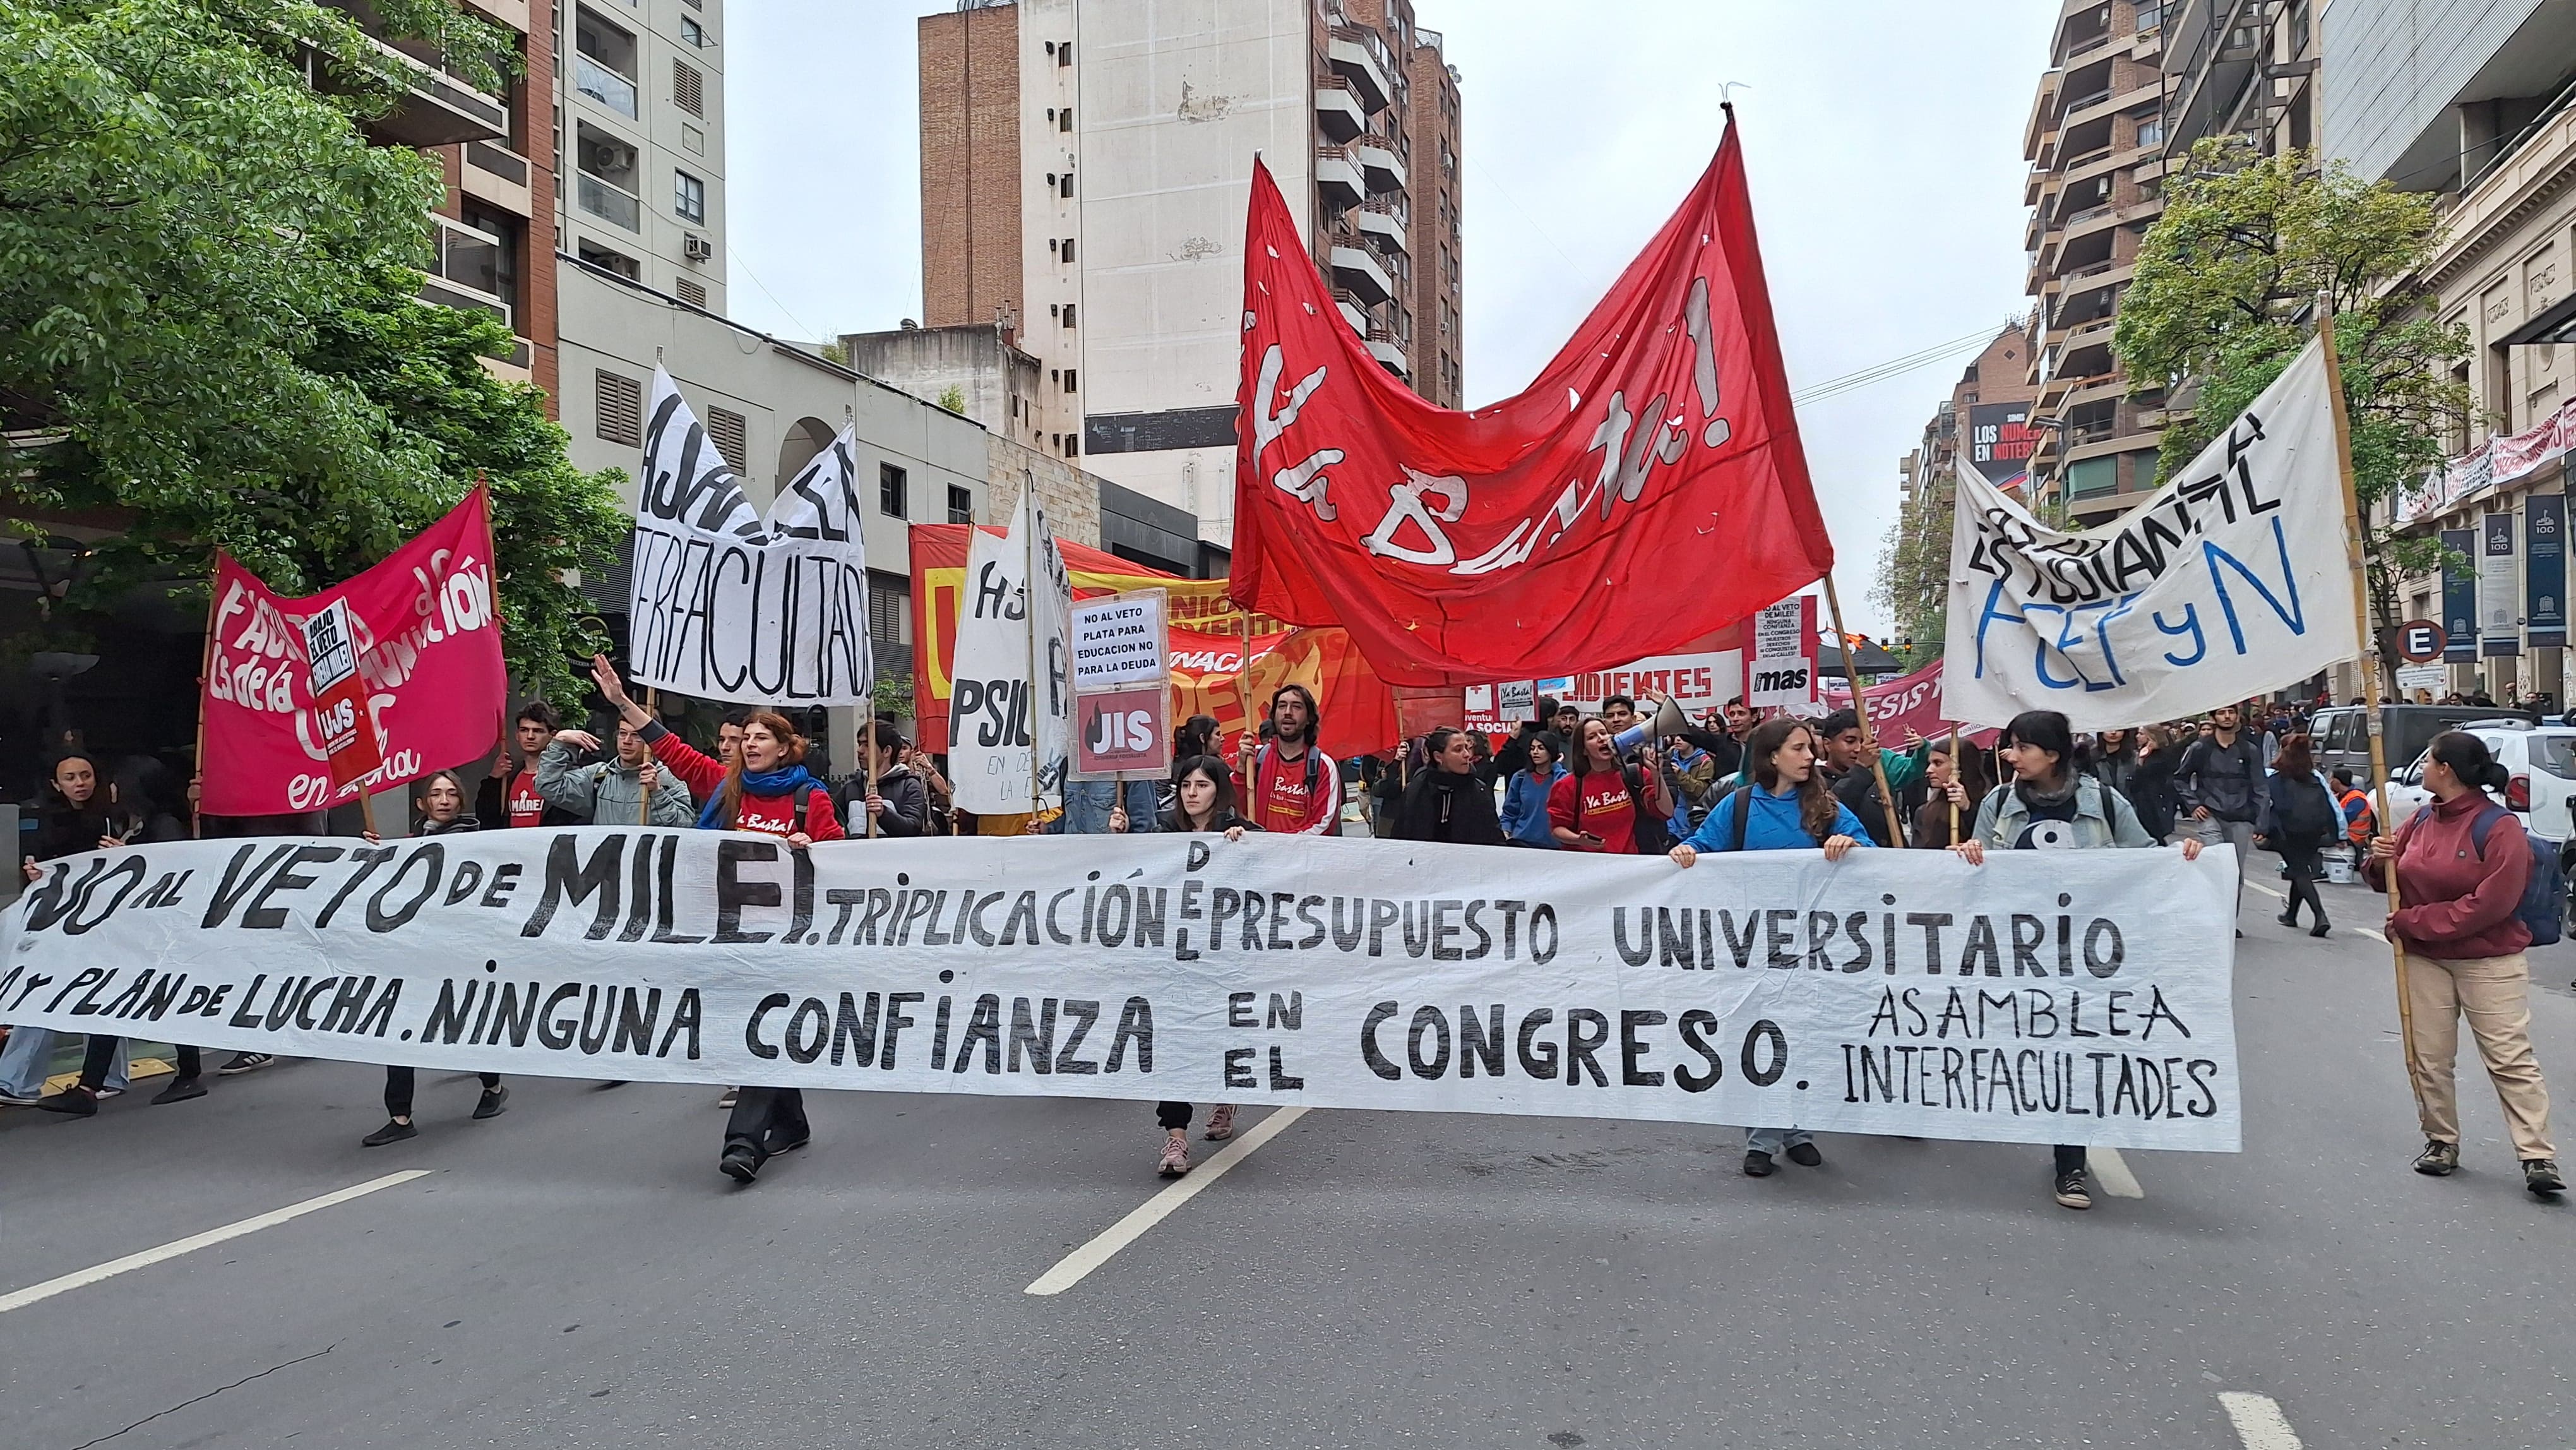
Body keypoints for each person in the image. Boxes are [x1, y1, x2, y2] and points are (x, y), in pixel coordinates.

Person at [592, 656, 844, 1183]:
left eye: (760, 737)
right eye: (745, 737)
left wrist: (810, 846)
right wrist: (621, 702)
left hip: (786, 939)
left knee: (764, 1027)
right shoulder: (725, 786)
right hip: (728, 931)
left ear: (785, 746)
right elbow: (671, 749)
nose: (749, 745)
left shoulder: (809, 797)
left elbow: (843, 860)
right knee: (752, 1026)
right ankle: (791, 1123)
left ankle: (744, 1143)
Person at [1950, 710, 2204, 1211]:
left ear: (2054, 754)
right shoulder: (1999, 803)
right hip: (2017, 955)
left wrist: (2186, 856)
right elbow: (1974, 873)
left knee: (2074, 1054)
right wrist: (1968, 853)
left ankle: (2071, 1165)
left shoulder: (2104, 803)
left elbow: (2147, 859)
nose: (2010, 756)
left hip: (2087, 957)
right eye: (2010, 746)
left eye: (2022, 747)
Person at [1668, 716, 1871, 1176]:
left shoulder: (1824, 806)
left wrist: (1848, 844)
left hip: (1811, 946)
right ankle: (1760, 1139)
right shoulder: (1738, 806)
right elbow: (1703, 846)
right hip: (1751, 945)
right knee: (1758, 1040)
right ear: (1772, 755)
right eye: (1799, 748)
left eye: (1811, 748)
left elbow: (1870, 855)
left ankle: (1800, 1130)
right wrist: (1685, 853)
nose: (1810, 757)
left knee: (1802, 1037)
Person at [2364, 731, 2561, 1196]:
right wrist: (2379, 862)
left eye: (2429, 761)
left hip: (2490, 960)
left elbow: (2493, 903)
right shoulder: (2419, 821)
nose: (2424, 770)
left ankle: (2537, 1155)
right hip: (2425, 958)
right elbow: (2391, 882)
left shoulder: (2498, 827)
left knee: (2510, 1058)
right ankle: (2441, 1141)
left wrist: (2417, 921)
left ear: (2447, 770)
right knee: (2429, 1057)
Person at [9, 752, 210, 1111]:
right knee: (114, 997)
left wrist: (131, 856)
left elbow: (171, 873)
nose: (107, 787)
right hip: (132, 928)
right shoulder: (129, 821)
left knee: (159, 997)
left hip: (157, 930)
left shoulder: (161, 823)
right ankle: (91, 1087)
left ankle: (187, 1073)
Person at [1110, 755, 1253, 1176]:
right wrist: (1117, 839)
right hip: (1172, 961)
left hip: (1224, 962)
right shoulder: (1162, 834)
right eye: (1186, 784)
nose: (1192, 793)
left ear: (1220, 790)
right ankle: (1176, 1137)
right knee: (1172, 1044)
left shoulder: (1241, 833)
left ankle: (1224, 1096)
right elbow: (1132, 874)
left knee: (1217, 1034)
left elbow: (1274, 873)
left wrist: (1247, 846)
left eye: (1202, 785)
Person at [359, 771, 506, 1144]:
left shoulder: (480, 842)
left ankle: (492, 1086)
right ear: (421, 804)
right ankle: (400, 1115)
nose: (444, 800)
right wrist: (377, 854)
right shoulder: (408, 846)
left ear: (462, 802)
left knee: (461, 1023)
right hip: (413, 953)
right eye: (436, 794)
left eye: (452, 793)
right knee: (398, 1027)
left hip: (460, 951)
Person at [2174, 703, 2270, 921]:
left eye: (2231, 712)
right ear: (2213, 717)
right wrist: (2193, 803)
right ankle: (2210, 917)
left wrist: (2262, 823)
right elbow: (2180, 778)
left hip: (2241, 817)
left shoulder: (2249, 750)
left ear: (2237, 716)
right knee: (2214, 864)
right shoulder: (2200, 748)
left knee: (2234, 872)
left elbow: (2261, 788)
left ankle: (2228, 922)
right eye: (2222, 712)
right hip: (2210, 815)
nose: (2227, 717)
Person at [536, 717, 698, 827]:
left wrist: (658, 793)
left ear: (651, 741)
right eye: (623, 733)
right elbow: (548, 786)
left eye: (636, 735)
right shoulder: (599, 776)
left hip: (646, 872)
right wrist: (559, 742)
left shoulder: (669, 779)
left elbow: (684, 826)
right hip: (607, 874)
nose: (627, 741)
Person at [1548, 717, 1671, 854]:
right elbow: (1557, 829)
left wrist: (1656, 774)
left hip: (1630, 863)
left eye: (1604, 733)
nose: (1601, 739)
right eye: (1592, 737)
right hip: (1588, 865)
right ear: (1583, 750)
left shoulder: (1636, 774)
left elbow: (1666, 812)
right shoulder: (1567, 786)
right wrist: (1578, 839)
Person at [1815, 707, 1929, 848]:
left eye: (1863, 742)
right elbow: (1831, 810)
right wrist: (1861, 768)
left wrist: (1923, 749)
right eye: (1850, 741)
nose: (1858, 749)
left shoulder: (1879, 772)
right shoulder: (1815, 781)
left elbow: (1911, 770)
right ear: (1827, 744)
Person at [1237, 684, 1341, 836]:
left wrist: (1280, 845)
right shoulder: (1256, 758)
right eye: (1282, 706)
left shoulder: (1323, 766)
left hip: (1301, 857)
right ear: (1274, 715)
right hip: (1260, 855)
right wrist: (1241, 768)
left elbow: (1324, 825)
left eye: (1296, 707)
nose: (1287, 712)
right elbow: (1235, 807)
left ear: (1309, 719)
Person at [2263, 733, 2339, 937]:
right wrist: (2336, 832)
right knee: (2300, 869)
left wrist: (2264, 831)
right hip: (2313, 831)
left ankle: (2320, 916)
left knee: (2299, 871)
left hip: (2289, 832)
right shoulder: (2314, 778)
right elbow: (2330, 805)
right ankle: (2291, 914)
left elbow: (2271, 808)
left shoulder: (2278, 779)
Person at [1390, 728, 1508, 844]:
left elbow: (1494, 839)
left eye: (1467, 748)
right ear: (1438, 757)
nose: (1467, 755)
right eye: (1458, 750)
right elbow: (1399, 837)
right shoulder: (1416, 790)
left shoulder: (1479, 791)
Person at [478, 700, 584, 829]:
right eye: (524, 730)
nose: (530, 736)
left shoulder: (567, 777)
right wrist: (493, 780)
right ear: (517, 735)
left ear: (553, 736)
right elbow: (487, 820)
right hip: (513, 847)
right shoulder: (509, 776)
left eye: (538, 731)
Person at [837, 721, 932, 837]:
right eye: (860, 744)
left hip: (892, 854)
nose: (860, 750)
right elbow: (833, 820)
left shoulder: (909, 786)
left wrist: (884, 813)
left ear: (887, 751)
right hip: (856, 854)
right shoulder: (852, 786)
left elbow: (913, 829)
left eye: (867, 745)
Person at [1908, 737, 1995, 849]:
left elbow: (1992, 844)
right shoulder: (1924, 811)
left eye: (1938, 763)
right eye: (1930, 763)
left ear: (1961, 767)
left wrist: (1968, 810)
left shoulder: (1992, 804)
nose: (1929, 770)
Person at [1500, 731, 1568, 848]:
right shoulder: (1520, 777)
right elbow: (1510, 811)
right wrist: (1505, 832)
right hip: (1522, 841)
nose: (1535, 752)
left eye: (1541, 748)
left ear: (1551, 750)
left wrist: (1556, 766)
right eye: (1532, 748)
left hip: (1553, 844)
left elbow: (1562, 788)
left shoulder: (1561, 777)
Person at [2127, 725, 2188, 844]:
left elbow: (2144, 774)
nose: (2137, 736)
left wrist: (2141, 761)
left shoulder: (2163, 756)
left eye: (2142, 733)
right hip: (2142, 800)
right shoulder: (2138, 753)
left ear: (2151, 736)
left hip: (2157, 801)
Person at [2330, 767, 2376, 858]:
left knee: (2315, 840)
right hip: (2345, 835)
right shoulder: (2341, 796)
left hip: (2354, 839)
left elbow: (2342, 822)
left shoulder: (2356, 799)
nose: (2330, 782)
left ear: (2337, 782)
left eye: (2331, 779)